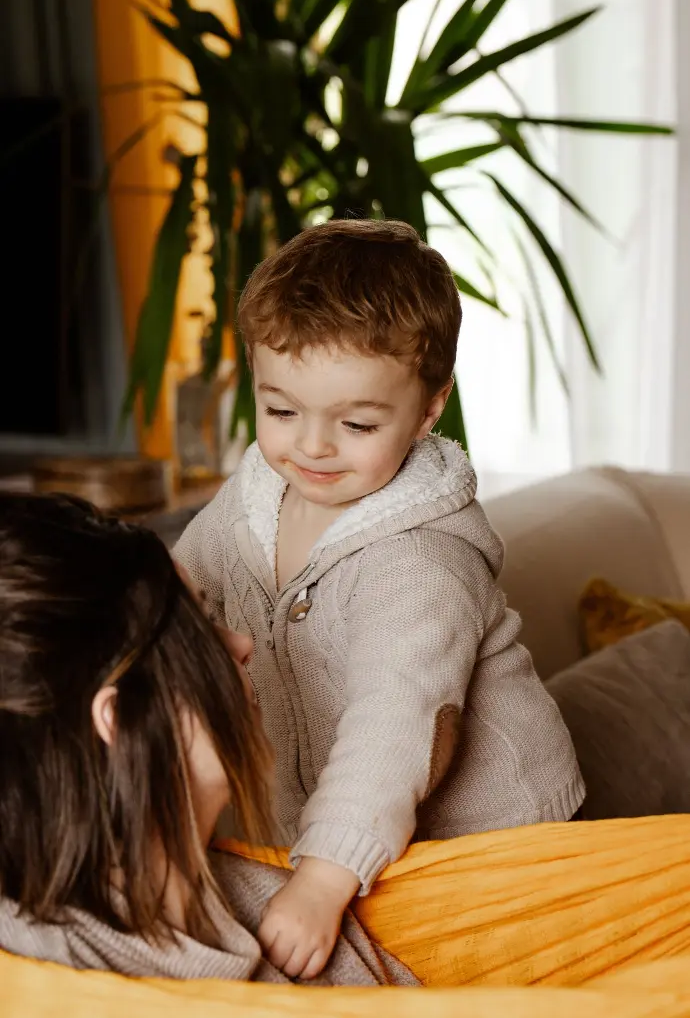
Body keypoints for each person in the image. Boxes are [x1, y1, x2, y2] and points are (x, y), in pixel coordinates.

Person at [174, 218, 585, 978]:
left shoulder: (420, 563)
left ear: (430, 408)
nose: (312, 446)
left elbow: (395, 727)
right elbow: (176, 584)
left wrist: (324, 877)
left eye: (357, 422)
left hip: (489, 845)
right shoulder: (259, 492)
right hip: (334, 822)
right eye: (281, 411)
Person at [0, 491, 417, 987]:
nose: (242, 645)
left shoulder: (299, 916)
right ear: (123, 716)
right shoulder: (42, 981)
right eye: (201, 632)